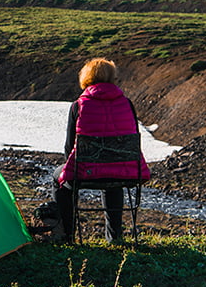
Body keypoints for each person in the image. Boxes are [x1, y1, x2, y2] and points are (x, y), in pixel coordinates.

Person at [53, 57, 150, 242]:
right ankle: (115, 237)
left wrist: (71, 165)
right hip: (126, 171)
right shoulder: (127, 103)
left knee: (57, 179)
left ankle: (66, 235)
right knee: (113, 174)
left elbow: (69, 146)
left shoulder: (78, 106)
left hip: (85, 172)